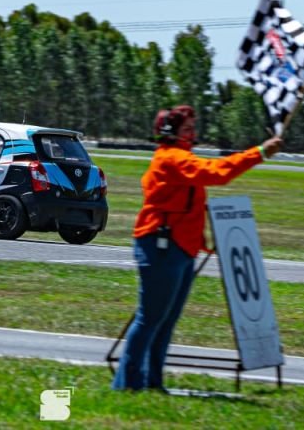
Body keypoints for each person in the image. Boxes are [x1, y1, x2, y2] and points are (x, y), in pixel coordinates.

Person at [111, 104, 282, 391]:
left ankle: (151, 384)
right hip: (161, 247)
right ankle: (127, 386)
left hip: (180, 249)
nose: (193, 134)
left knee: (165, 321)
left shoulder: (179, 158)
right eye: (187, 129)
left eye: (193, 128)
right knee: (150, 318)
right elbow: (218, 172)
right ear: (169, 133)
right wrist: (260, 153)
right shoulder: (173, 159)